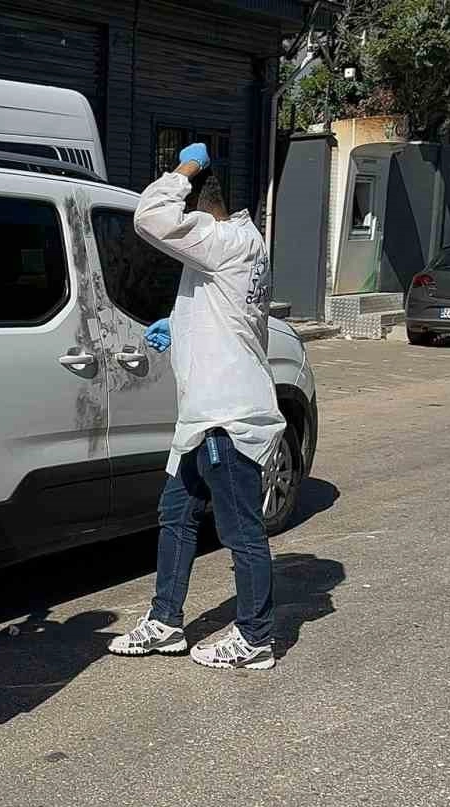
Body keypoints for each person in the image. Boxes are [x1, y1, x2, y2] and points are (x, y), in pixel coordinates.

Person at [107, 143, 284, 670]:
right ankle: (165, 621)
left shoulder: (223, 240)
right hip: (206, 413)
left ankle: (255, 638)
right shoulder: (244, 243)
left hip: (225, 415)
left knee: (241, 529)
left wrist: (183, 169)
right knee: (176, 513)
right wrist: (180, 324)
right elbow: (228, 314)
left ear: (196, 208)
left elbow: (150, 216)